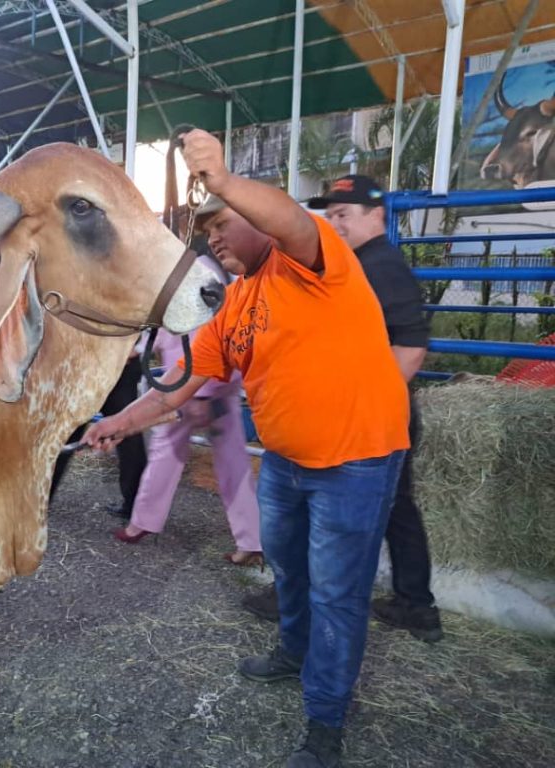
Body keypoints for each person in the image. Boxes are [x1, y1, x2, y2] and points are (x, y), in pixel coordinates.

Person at [83, 129, 410, 768]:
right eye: (207, 231)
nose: (215, 236)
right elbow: (177, 390)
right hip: (287, 463)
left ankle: (324, 724)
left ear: (259, 220)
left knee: (337, 594)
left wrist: (224, 180)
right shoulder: (233, 309)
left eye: (224, 223)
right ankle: (293, 652)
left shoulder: (315, 263)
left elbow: (292, 218)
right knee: (289, 568)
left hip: (358, 459)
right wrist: (119, 420)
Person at [241, 176, 443, 644]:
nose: (335, 224)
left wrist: (361, 403)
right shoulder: (355, 263)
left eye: (344, 214)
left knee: (321, 509)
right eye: (330, 216)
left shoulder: (379, 266)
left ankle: (297, 595)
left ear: (378, 215)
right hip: (370, 413)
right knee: (395, 509)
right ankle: (416, 604)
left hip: (367, 416)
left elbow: (410, 348)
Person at [113, 320, 262, 568]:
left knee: (168, 453)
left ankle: (141, 523)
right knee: (232, 463)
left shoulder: (213, 285)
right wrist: (140, 348)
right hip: (205, 382)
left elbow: (211, 332)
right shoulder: (224, 284)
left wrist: (203, 394)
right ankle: (252, 541)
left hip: (194, 384)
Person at [50, 355, 148, 517]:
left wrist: (136, 346)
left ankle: (136, 504)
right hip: (91, 365)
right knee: (67, 435)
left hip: (112, 365)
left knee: (127, 435)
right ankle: (136, 505)